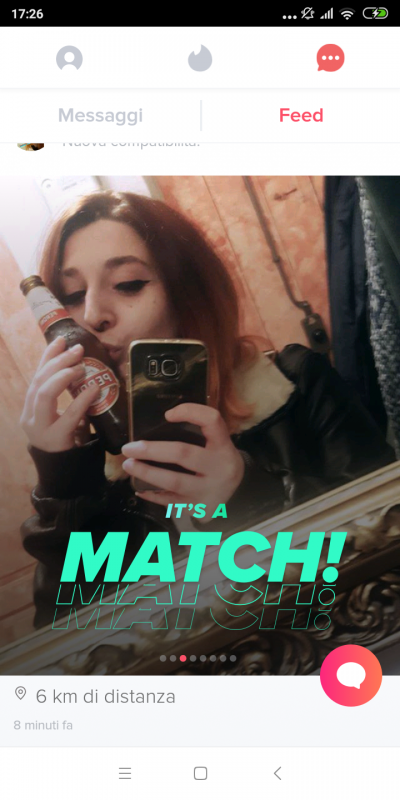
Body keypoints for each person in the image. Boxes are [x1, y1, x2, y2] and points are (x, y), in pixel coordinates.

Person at [20, 191, 395, 628]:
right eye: (71, 294)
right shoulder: (90, 477)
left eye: (128, 284)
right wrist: (62, 483)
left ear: (188, 292)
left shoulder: (296, 385)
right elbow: (71, 645)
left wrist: (247, 494)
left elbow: (385, 554)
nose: (92, 315)